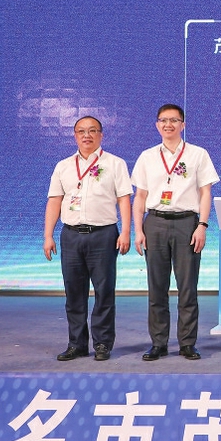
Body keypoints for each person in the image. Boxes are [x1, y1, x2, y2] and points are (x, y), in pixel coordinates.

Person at [132, 104, 219, 361]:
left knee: (187, 287)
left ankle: (187, 343)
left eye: (174, 120)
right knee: (156, 288)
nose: (168, 124)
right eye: (163, 120)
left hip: (187, 223)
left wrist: (202, 225)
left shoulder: (198, 154)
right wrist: (138, 230)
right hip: (155, 222)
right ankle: (158, 343)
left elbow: (205, 192)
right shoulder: (147, 156)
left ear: (183, 124)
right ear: (157, 125)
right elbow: (140, 196)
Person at [44, 116, 132, 362]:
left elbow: (124, 198)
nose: (87, 135)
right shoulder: (63, 166)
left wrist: (126, 231)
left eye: (93, 131)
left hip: (103, 235)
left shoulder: (115, 164)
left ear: (101, 135)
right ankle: (77, 344)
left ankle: (102, 343)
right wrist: (48, 235)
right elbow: (54, 200)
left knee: (104, 291)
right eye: (81, 131)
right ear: (75, 136)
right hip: (71, 235)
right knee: (74, 292)